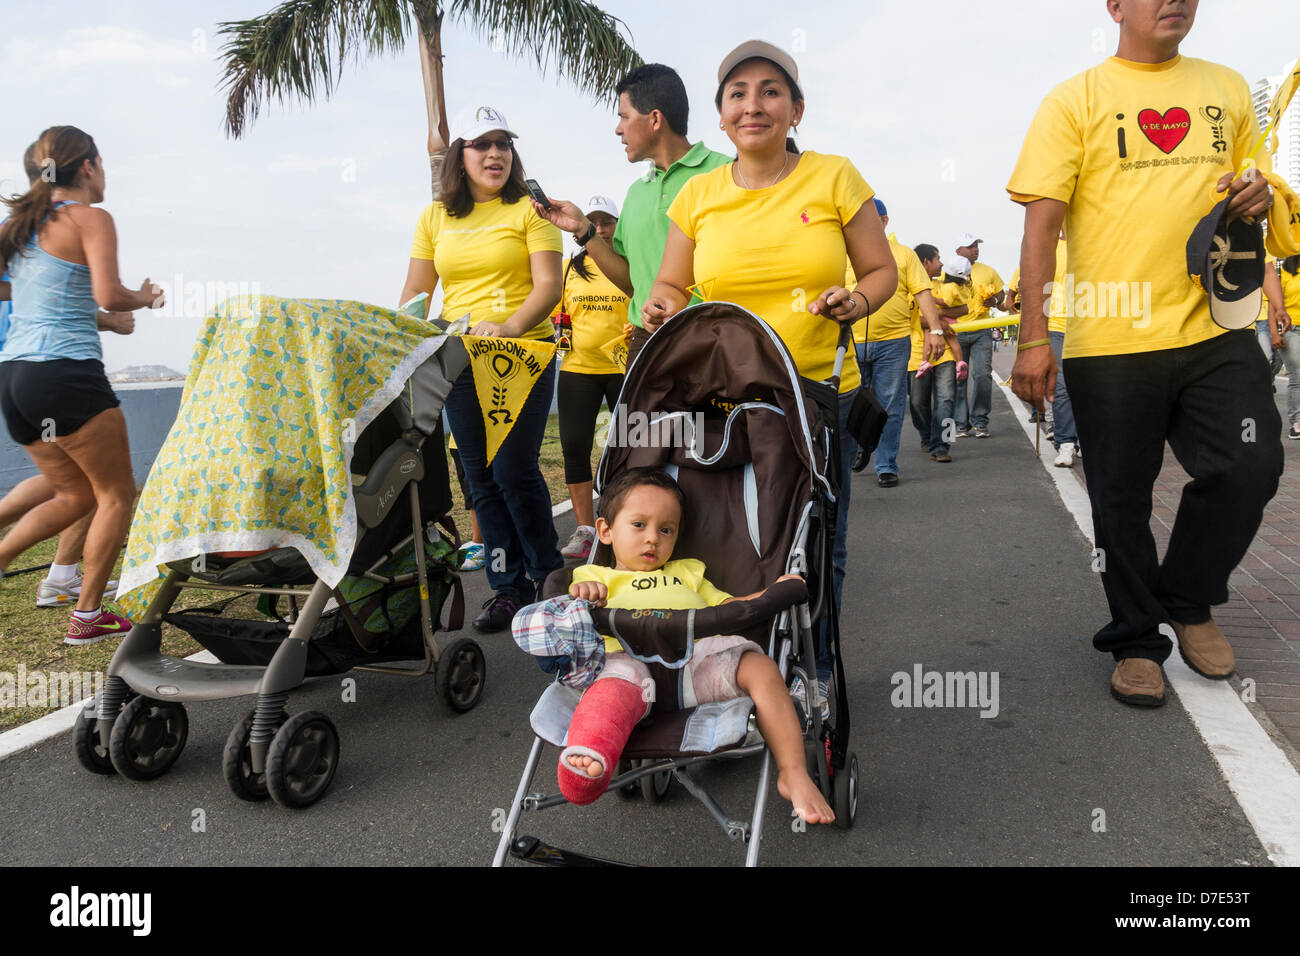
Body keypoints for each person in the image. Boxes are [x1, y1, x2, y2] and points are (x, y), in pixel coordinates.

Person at [1008, 0, 1290, 707]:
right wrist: (1035, 338)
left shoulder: (1224, 87)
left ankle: (1190, 599)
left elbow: (1256, 188)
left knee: (1252, 464)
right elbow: (1041, 229)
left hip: (1214, 326)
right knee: (1120, 501)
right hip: (1111, 339)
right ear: (1115, 6)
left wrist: (1257, 195)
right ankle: (1136, 639)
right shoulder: (1075, 100)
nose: (1175, 0)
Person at [644, 40, 898, 707]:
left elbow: (881, 271)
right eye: (737, 94)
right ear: (722, 117)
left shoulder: (835, 177)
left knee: (817, 543)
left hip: (817, 397)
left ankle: (817, 668)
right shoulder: (697, 196)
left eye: (770, 91)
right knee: (727, 536)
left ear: (796, 109)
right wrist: (661, 305)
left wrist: (858, 299)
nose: (752, 105)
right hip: (723, 404)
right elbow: (673, 283)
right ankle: (734, 667)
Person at [563, 467, 834, 823]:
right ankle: (592, 752)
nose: (652, 540)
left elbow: (730, 607)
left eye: (666, 530)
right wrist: (585, 595)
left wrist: (772, 592)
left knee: (760, 667)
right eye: (639, 525)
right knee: (610, 686)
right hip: (629, 668)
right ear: (605, 530)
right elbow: (573, 600)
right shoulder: (596, 576)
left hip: (695, 666)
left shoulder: (689, 571)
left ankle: (793, 771)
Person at [399, 106, 563, 632]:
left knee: (514, 469)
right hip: (459, 361)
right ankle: (506, 587)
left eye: (504, 144)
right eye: (482, 144)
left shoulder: (532, 210)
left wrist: (510, 326)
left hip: (523, 354)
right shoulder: (434, 217)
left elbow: (549, 287)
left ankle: (547, 575)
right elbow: (417, 296)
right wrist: (392, 346)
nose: (495, 154)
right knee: (481, 479)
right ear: (459, 155)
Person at [0, 126, 163, 644]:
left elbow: (30, 298)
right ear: (88, 167)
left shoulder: (18, 228)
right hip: (67, 376)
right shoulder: (92, 219)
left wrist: (103, 319)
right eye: (102, 162)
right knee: (116, 494)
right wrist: (141, 298)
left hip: (16, 380)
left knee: (74, 494)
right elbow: (108, 293)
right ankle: (88, 617)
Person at [533, 65, 730, 367]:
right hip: (644, 342)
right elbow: (631, 284)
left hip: (714, 343)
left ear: (654, 119)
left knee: (710, 419)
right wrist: (584, 231)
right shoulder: (636, 192)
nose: (618, 129)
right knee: (635, 418)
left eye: (624, 117)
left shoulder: (727, 174)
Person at [850, 201, 947, 486]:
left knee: (890, 407)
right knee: (851, 405)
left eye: (870, 219)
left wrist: (936, 331)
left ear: (884, 221)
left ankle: (886, 465)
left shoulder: (903, 254)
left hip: (893, 343)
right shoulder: (845, 250)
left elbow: (923, 293)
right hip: (850, 342)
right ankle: (857, 450)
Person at [553, 196, 629, 560]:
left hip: (623, 368)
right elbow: (561, 313)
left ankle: (624, 521)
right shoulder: (571, 267)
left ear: (617, 224)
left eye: (607, 222)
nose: (600, 229)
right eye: (593, 221)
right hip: (578, 369)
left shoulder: (629, 264)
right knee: (575, 448)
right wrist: (559, 332)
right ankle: (585, 529)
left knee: (630, 445)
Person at [909, 244, 965, 463]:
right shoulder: (907, 286)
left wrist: (937, 316)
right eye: (937, 259)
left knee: (946, 399)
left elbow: (963, 309)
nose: (942, 263)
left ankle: (942, 444)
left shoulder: (945, 286)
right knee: (916, 402)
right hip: (916, 354)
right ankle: (927, 436)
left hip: (946, 352)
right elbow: (910, 318)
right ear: (925, 262)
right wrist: (938, 321)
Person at [950, 233, 1003, 438]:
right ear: (958, 251)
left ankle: (980, 421)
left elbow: (1001, 293)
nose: (975, 249)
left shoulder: (988, 271)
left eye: (976, 245)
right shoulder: (949, 271)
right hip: (956, 332)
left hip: (982, 329)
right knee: (958, 378)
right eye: (970, 246)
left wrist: (995, 301)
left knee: (982, 375)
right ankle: (961, 423)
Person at [1045, 235, 1081, 467]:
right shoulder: (1048, 244)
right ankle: (1066, 442)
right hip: (1056, 324)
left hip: (1089, 323)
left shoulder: (1092, 237)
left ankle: (1086, 438)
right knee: (1061, 386)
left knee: (1089, 386)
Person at [1277, 256, 1300, 439]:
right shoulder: (1285, 270)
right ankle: (1297, 422)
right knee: (1297, 376)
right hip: (1291, 329)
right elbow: (1274, 304)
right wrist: (1273, 332)